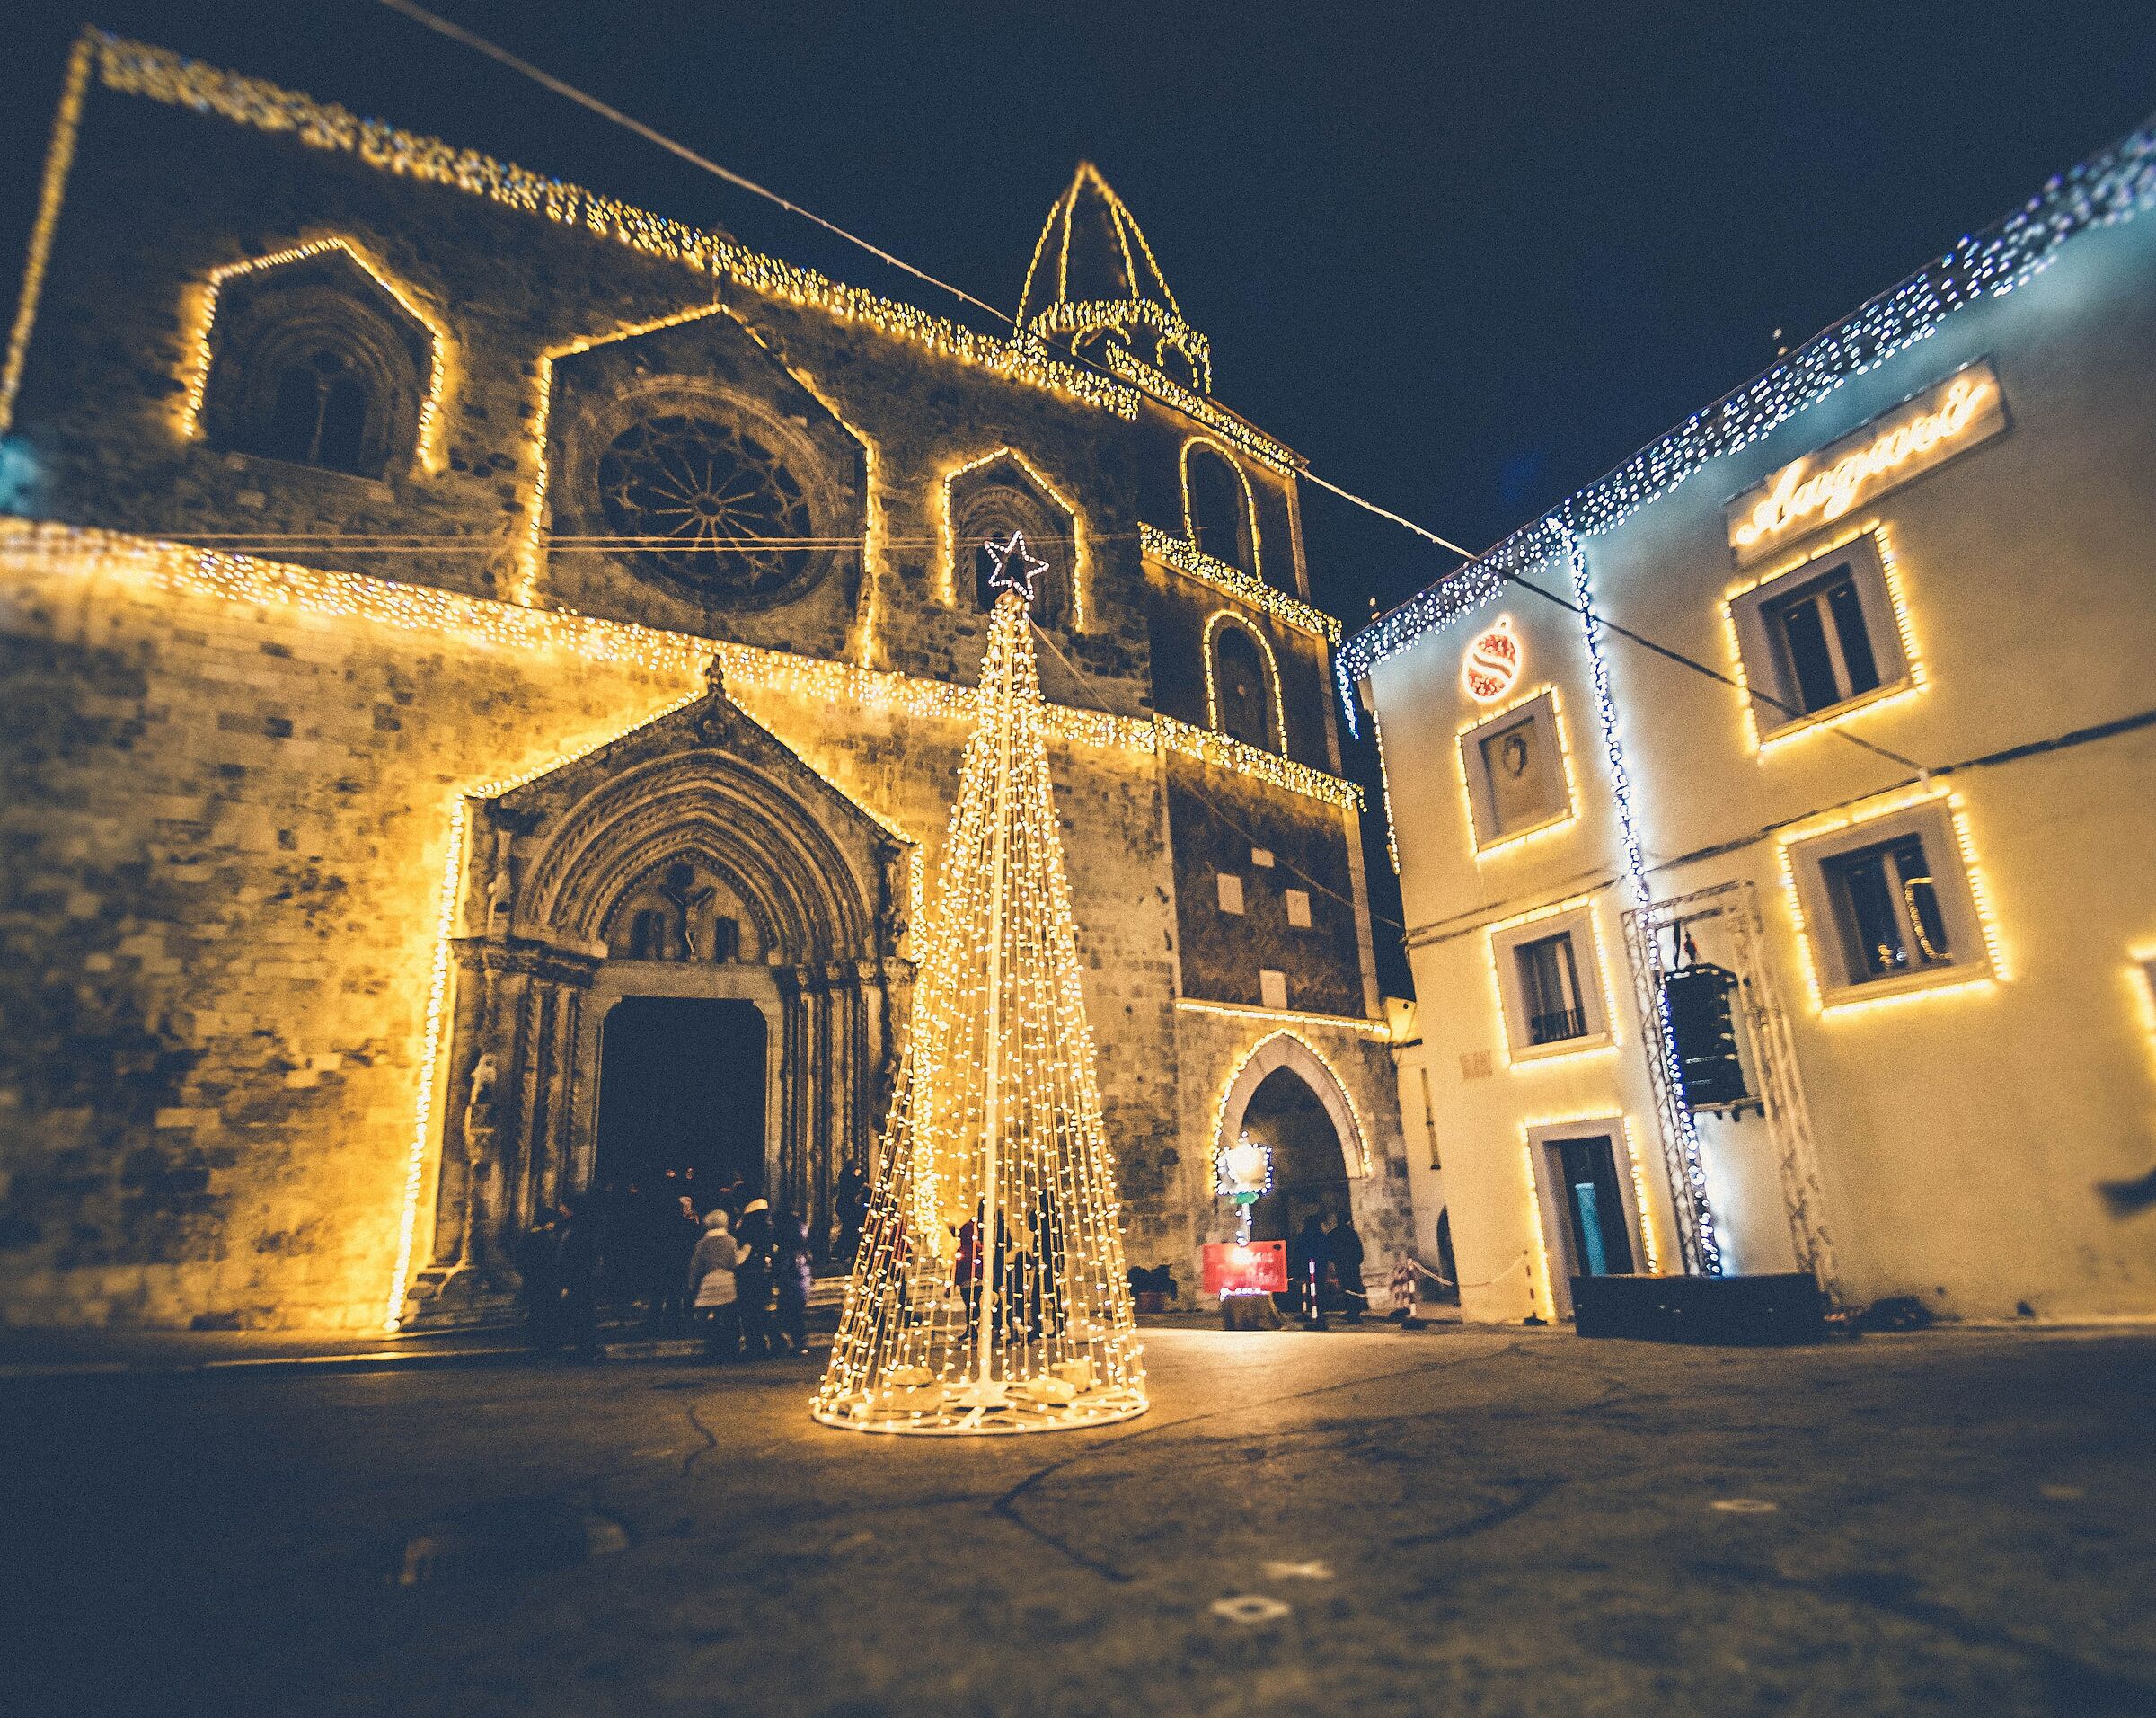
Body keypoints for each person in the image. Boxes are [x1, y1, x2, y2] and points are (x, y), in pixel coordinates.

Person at [552, 1195, 606, 1360]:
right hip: (573, 1278)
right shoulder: (567, 1227)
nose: (562, 1210)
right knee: (578, 1314)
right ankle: (581, 1347)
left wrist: (570, 1280)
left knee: (583, 1314)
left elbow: (582, 1257)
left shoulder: (582, 1230)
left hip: (580, 1279)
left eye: (565, 1208)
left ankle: (586, 1349)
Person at [686, 1208, 743, 1361]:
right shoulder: (731, 1241)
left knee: (711, 1319)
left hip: (709, 1284)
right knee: (730, 1317)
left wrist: (692, 1285)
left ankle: (715, 1348)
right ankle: (731, 1348)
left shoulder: (702, 1244)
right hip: (728, 1283)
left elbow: (696, 1266)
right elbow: (735, 1262)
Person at [733, 1198, 775, 1359]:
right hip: (761, 1271)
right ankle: (769, 1343)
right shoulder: (766, 1220)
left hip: (750, 1272)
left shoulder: (751, 1223)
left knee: (751, 1311)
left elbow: (744, 1248)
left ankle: (756, 1346)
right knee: (760, 1310)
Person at [516, 1207, 561, 1346]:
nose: (553, 1225)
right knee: (544, 1310)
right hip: (543, 1280)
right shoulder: (544, 1238)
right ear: (548, 1222)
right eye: (552, 1222)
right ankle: (541, 1340)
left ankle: (533, 1337)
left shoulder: (528, 1236)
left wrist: (526, 1273)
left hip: (532, 1280)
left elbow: (519, 1260)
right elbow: (551, 1261)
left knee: (535, 1309)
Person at [773, 1208, 814, 1356]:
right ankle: (797, 1341)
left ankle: (794, 1342)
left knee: (790, 1314)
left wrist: (775, 1274)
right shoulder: (802, 1250)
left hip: (791, 1285)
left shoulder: (788, 1252)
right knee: (794, 1314)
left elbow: (783, 1269)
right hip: (799, 1284)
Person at [1290, 1213, 1330, 1328]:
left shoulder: (1304, 1236)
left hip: (1309, 1267)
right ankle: (1318, 1313)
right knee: (1317, 1290)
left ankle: (1317, 1315)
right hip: (1319, 1267)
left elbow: (1299, 1252)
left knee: (1312, 1291)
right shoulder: (1321, 1236)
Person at [1329, 1212, 1368, 1323]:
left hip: (1341, 1266)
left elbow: (1329, 1251)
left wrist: (1336, 1261)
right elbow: (1359, 1250)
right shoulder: (1352, 1233)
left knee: (1346, 1289)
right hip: (1352, 1266)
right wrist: (1356, 1261)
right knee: (1354, 1288)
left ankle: (1350, 1311)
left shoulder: (1333, 1234)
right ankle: (1355, 1312)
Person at [835, 1160, 870, 1263]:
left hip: (852, 1209)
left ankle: (845, 1251)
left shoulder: (853, 1180)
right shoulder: (849, 1180)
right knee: (850, 1231)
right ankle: (847, 1251)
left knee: (850, 1231)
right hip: (850, 1209)